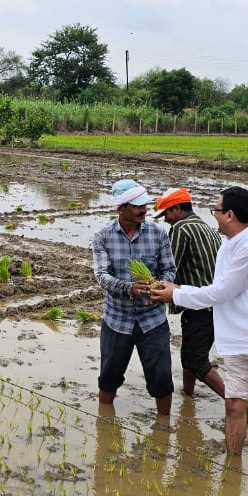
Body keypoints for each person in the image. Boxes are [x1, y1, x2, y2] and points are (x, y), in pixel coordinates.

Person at [150, 186, 248, 482]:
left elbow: (221, 292)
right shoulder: (229, 244)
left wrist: (176, 295)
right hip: (237, 343)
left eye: (217, 211)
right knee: (234, 406)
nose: (214, 216)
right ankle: (232, 471)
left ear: (230, 215)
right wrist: (180, 289)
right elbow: (218, 287)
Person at [92, 179, 176, 417]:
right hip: (117, 321)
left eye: (145, 205)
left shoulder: (158, 234)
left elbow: (169, 269)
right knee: (108, 379)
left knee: (161, 379)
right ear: (121, 209)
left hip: (153, 321)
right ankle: (105, 425)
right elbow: (102, 275)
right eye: (138, 206)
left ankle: (163, 428)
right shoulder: (103, 236)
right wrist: (128, 288)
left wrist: (159, 288)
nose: (144, 210)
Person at [154, 187, 227, 399]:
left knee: (195, 359)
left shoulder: (180, 229)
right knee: (191, 353)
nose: (166, 219)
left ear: (177, 209)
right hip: (217, 304)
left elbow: (170, 266)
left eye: (167, 213)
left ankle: (236, 401)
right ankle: (188, 394)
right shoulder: (208, 228)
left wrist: (154, 286)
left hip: (198, 305)